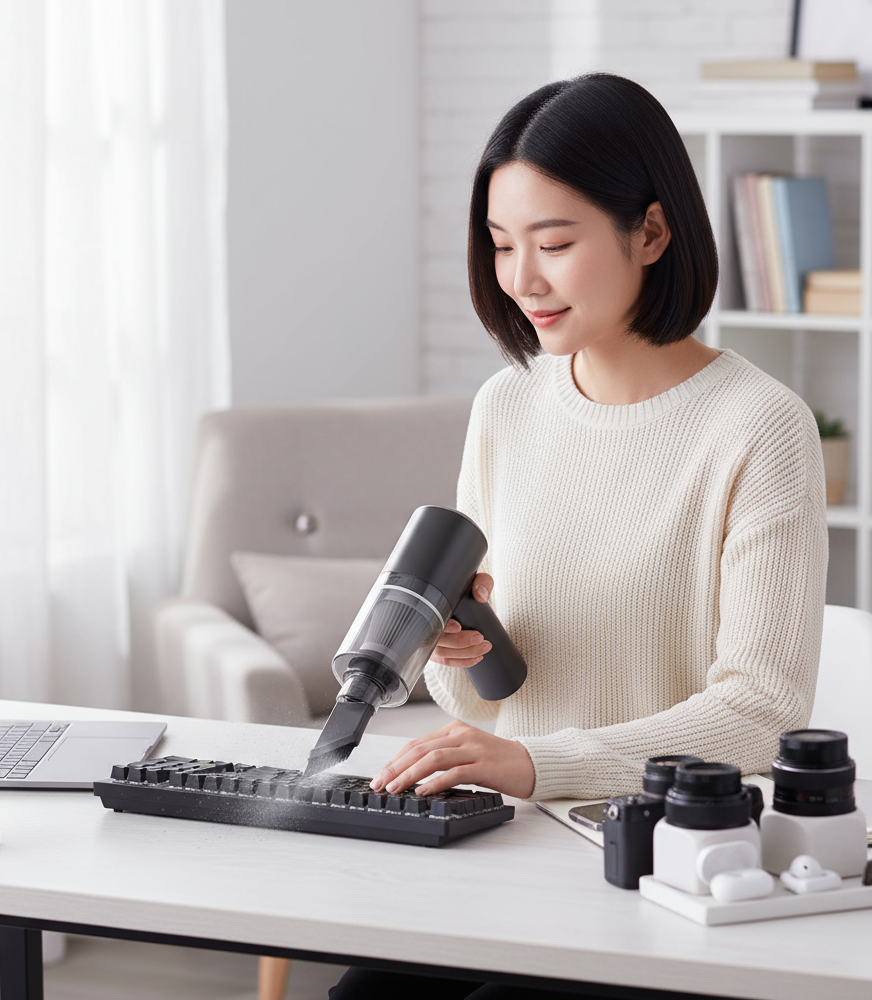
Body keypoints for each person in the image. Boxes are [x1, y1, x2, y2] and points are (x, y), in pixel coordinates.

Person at [330, 73, 827, 999]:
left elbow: (763, 709)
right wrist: (463, 647)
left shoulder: (761, 427)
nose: (522, 280)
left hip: (657, 869)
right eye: (501, 244)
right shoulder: (507, 407)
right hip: (500, 847)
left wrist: (538, 763)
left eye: (554, 243)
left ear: (651, 231)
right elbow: (481, 696)